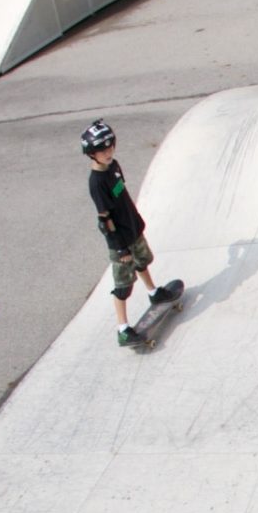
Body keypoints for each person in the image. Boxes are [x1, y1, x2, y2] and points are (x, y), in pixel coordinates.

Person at [81, 120, 175, 345]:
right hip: (120, 241)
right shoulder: (96, 183)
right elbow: (105, 220)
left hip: (133, 228)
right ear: (91, 154)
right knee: (123, 285)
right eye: (101, 150)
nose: (108, 152)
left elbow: (122, 196)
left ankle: (154, 293)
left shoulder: (114, 166)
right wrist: (120, 246)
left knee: (143, 261)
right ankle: (122, 329)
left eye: (110, 146)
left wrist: (136, 223)